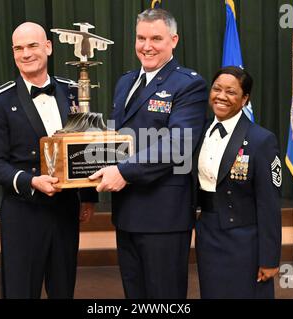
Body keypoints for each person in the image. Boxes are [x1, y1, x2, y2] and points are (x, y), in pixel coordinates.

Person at [89, 8, 207, 298]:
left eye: (156, 38)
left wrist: (123, 171)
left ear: (174, 40)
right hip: (127, 212)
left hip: (164, 215)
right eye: (141, 38)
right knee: (135, 294)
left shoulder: (188, 84)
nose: (147, 46)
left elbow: (177, 144)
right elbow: (119, 140)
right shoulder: (125, 82)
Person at [0, 22, 97, 299]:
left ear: (48, 47)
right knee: (22, 291)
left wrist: (89, 195)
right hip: (23, 211)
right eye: (18, 48)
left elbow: (84, 146)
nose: (26, 54)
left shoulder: (73, 92)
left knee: (63, 288)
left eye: (32, 45)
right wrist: (31, 181)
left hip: (64, 210)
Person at [193, 66, 282, 299]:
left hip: (245, 242)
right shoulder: (198, 131)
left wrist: (270, 258)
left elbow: (269, 205)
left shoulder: (261, 140)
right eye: (216, 89)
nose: (221, 96)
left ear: (244, 99)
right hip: (208, 233)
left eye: (231, 92)